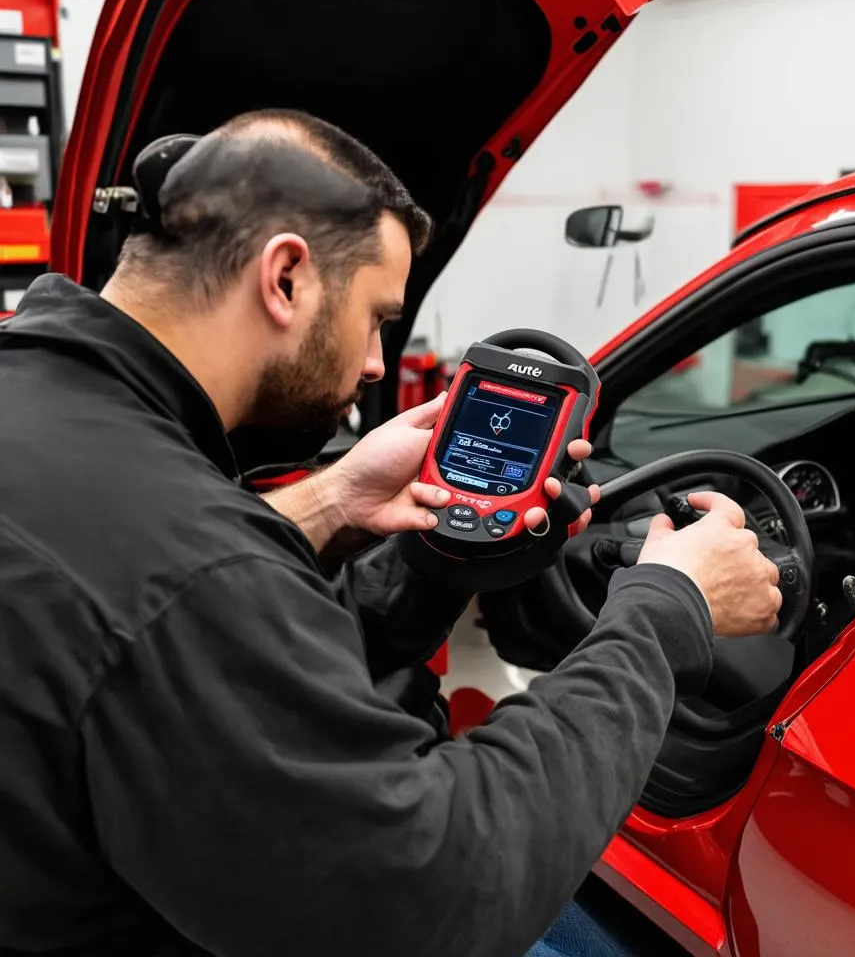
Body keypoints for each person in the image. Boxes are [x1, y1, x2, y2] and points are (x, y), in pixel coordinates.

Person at [0, 109, 781, 957]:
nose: (377, 362)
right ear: (287, 278)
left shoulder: (44, 411)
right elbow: (437, 896)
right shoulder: (191, 565)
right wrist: (665, 616)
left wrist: (393, 547)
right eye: (375, 315)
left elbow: (195, 648)